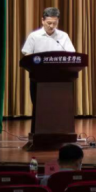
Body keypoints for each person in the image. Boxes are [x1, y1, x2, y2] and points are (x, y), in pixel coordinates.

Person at [21, 7, 76, 135]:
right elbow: (27, 55)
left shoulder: (63, 36)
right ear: (42, 20)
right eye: (49, 23)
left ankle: (61, 133)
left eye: (54, 23)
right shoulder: (34, 36)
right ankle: (39, 134)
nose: (51, 26)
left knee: (59, 107)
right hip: (38, 78)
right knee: (40, 107)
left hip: (60, 79)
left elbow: (72, 55)